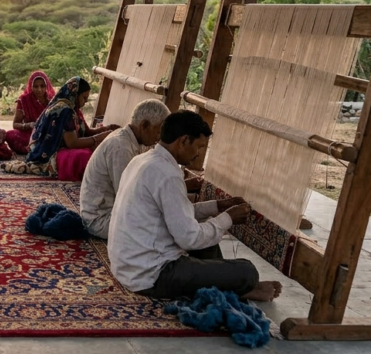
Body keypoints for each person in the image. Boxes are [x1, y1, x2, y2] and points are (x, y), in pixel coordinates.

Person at [108, 110, 282, 301]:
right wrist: (228, 218)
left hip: (126, 266)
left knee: (209, 238)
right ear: (183, 141)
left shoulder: (143, 160)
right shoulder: (167, 174)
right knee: (247, 272)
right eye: (198, 146)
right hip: (151, 275)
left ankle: (229, 284)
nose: (198, 154)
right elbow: (189, 238)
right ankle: (241, 287)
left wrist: (218, 206)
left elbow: (179, 214)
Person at [80, 99, 170, 239]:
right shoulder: (121, 147)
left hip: (113, 212)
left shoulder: (134, 141)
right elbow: (129, 197)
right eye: (158, 132)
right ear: (144, 126)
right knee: (166, 224)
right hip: (101, 220)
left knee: (169, 216)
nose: (159, 138)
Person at [24, 76, 118, 181]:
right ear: (75, 94)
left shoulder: (74, 109)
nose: (85, 102)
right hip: (51, 154)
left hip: (65, 149)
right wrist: (98, 138)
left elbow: (87, 132)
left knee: (97, 151)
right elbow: (72, 143)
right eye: (84, 98)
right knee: (85, 156)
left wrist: (106, 129)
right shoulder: (63, 110)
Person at [5, 71, 55, 154]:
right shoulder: (24, 100)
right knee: (10, 135)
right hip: (29, 135)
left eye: (42, 86)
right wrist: (29, 125)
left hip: (47, 135)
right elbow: (15, 124)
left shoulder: (52, 100)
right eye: (35, 86)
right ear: (31, 86)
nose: (39, 90)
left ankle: (37, 149)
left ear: (47, 86)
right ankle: (36, 149)